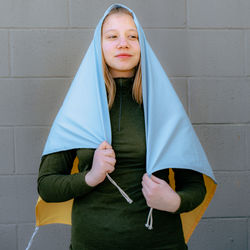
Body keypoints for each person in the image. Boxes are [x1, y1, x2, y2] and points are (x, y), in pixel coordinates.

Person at [37, 4, 216, 250]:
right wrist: (90, 177)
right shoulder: (79, 109)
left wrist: (174, 201)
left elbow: (195, 187)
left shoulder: (163, 108)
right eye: (112, 36)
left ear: (142, 45)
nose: (123, 43)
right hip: (91, 244)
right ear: (98, 45)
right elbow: (47, 186)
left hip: (161, 244)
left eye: (132, 36)